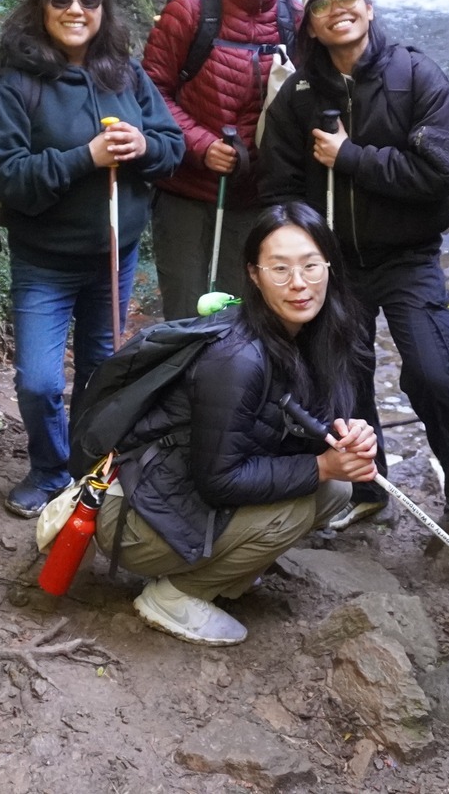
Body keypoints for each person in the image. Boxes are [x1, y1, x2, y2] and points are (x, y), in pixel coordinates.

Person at [258, 0, 449, 540]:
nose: (337, 10)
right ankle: (368, 491)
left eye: (348, 0)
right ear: (311, 27)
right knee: (342, 377)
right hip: (334, 264)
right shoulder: (297, 96)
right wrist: (299, 255)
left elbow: (444, 169)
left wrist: (352, 159)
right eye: (322, 6)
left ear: (368, 10)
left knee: (434, 371)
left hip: (409, 255)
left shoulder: (416, 76)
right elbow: (280, 186)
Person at [93, 203, 380, 646]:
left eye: (310, 266)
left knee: (335, 490)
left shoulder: (314, 335)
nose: (299, 283)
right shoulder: (237, 359)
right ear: (253, 274)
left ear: (329, 266)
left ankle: (219, 574)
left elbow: (301, 430)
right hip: (134, 516)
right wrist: (323, 466)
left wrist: (350, 437)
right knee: (311, 497)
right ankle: (174, 595)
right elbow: (219, 481)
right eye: (279, 269)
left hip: (174, 496)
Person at [0, 0, 185, 518]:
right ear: (41, 7)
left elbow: (172, 145)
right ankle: (47, 466)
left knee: (101, 368)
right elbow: (13, 180)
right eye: (62, 0)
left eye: (88, 1)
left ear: (103, 9)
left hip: (113, 254)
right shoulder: (15, 87)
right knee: (40, 380)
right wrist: (85, 157)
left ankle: (84, 468)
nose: (76, 10)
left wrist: (143, 147)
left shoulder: (126, 73)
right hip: (43, 260)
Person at [142, 0, 300, 319]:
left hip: (258, 197)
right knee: (188, 311)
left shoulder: (295, 17)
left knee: (245, 315)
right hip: (188, 193)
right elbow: (150, 90)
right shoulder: (192, 9)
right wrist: (201, 144)